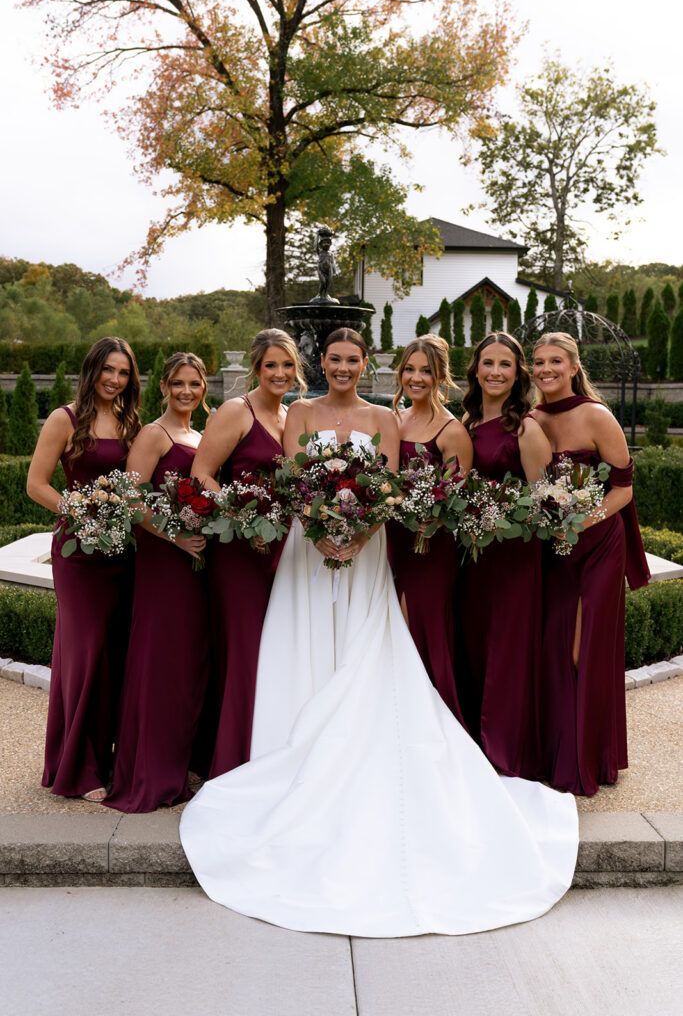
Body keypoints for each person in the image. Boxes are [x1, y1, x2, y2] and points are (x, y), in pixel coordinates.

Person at [180, 327, 578, 939]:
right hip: (306, 550)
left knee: (366, 651)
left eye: (353, 360)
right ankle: (289, 749)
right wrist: (318, 531)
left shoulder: (383, 419)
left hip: (366, 551)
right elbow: (291, 481)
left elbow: (387, 489)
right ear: (325, 363)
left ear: (368, 365)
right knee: (301, 643)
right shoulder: (301, 414)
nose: (343, 367)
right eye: (334, 360)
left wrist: (358, 536)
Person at [532, 332, 650, 796]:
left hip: (599, 543)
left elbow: (623, 488)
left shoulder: (597, 416)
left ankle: (591, 755)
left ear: (573, 365)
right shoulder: (532, 419)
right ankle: (559, 751)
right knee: (555, 646)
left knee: (585, 648)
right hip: (554, 548)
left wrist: (581, 522)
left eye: (555, 361)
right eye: (538, 362)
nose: (546, 369)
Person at [26, 337, 141, 801]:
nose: (114, 380)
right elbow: (36, 483)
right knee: (86, 652)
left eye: (124, 372)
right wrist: (78, 511)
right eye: (108, 370)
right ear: (92, 370)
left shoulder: (133, 423)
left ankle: (111, 758)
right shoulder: (65, 418)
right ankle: (78, 766)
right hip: (78, 555)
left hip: (123, 554)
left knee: (117, 654)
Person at [191, 329, 307, 779]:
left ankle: (267, 752)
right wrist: (242, 517)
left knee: (275, 650)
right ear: (256, 369)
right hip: (239, 551)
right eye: (270, 366)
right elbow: (203, 473)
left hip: (282, 550)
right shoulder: (236, 411)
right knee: (244, 651)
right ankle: (232, 764)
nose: (279, 373)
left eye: (287, 365)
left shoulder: (291, 415)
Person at [103, 353, 210, 812]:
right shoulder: (154, 434)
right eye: (179, 383)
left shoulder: (202, 436)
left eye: (195, 384)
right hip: (164, 563)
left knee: (189, 665)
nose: (187, 392)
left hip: (198, 566)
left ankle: (180, 762)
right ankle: (149, 773)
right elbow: (128, 499)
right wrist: (175, 536)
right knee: (158, 661)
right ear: (163, 386)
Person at [455, 333, 552, 780]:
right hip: (472, 557)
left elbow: (543, 502)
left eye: (505, 365)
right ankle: (473, 744)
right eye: (487, 362)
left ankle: (506, 752)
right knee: (473, 644)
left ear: (518, 374)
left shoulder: (527, 428)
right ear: (475, 369)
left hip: (514, 556)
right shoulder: (466, 420)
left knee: (507, 650)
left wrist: (500, 514)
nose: (495, 371)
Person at [387, 335, 472, 719]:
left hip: (428, 546)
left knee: (420, 629)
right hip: (390, 542)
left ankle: (434, 722)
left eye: (426, 370)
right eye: (409, 369)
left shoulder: (451, 430)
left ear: (440, 376)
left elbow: (456, 498)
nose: (416, 378)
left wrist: (430, 514)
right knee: (390, 634)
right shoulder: (394, 420)